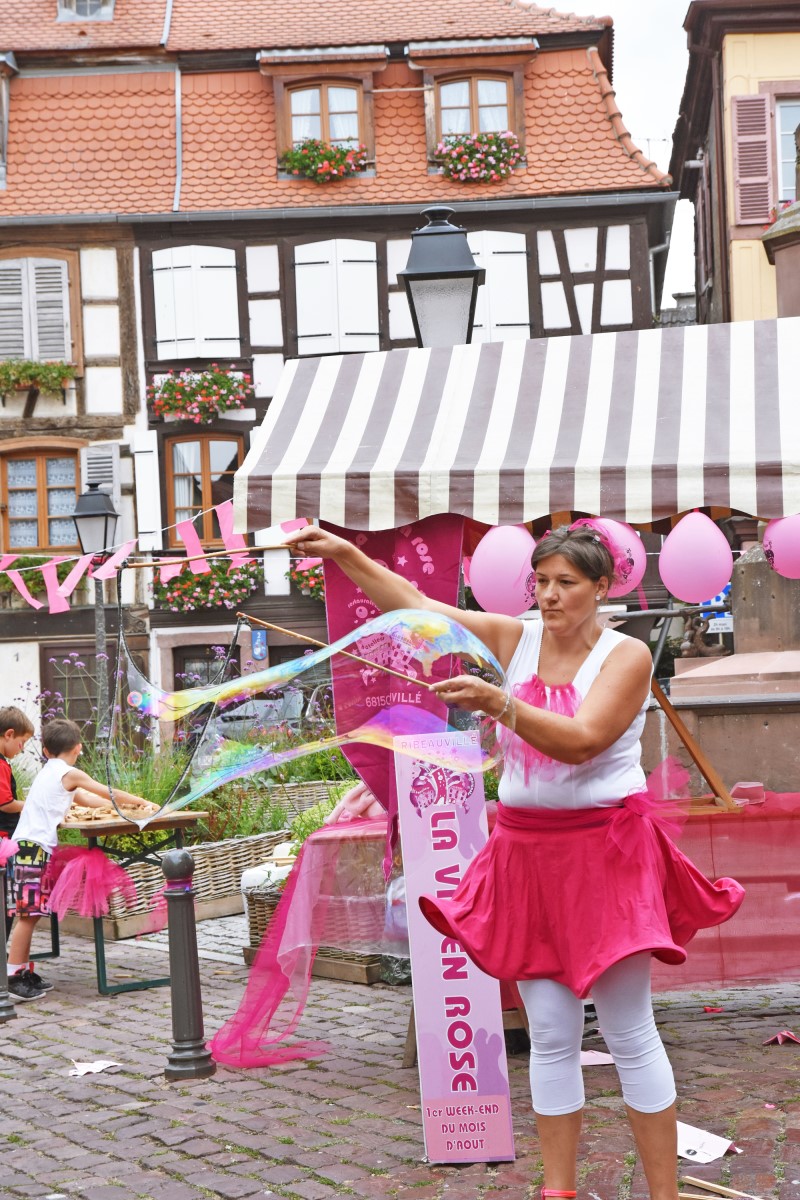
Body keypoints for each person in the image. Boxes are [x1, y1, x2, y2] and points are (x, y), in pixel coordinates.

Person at [285, 522, 744, 1200]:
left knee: (627, 1031)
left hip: (605, 856)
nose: (549, 596)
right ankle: (558, 1191)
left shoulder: (626, 657)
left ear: (601, 588)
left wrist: (501, 702)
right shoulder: (515, 638)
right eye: (541, 582)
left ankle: (663, 1193)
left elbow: (583, 741)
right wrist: (347, 555)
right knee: (553, 1033)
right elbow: (422, 613)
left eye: (565, 584)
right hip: (528, 855)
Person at [6, 718, 148, 1002]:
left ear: (45, 750)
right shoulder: (67, 772)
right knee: (28, 916)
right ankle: (12, 976)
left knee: (30, 915)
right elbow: (105, 791)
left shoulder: (51, 772)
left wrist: (119, 807)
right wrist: (140, 802)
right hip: (30, 850)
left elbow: (84, 798)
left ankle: (21, 970)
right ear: (79, 748)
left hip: (26, 848)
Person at [0, 706, 35, 940]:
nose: (21, 750)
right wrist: (33, 804)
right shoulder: (1, 765)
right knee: (6, 903)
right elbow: (5, 804)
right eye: (22, 743)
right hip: (4, 841)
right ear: (9, 734)